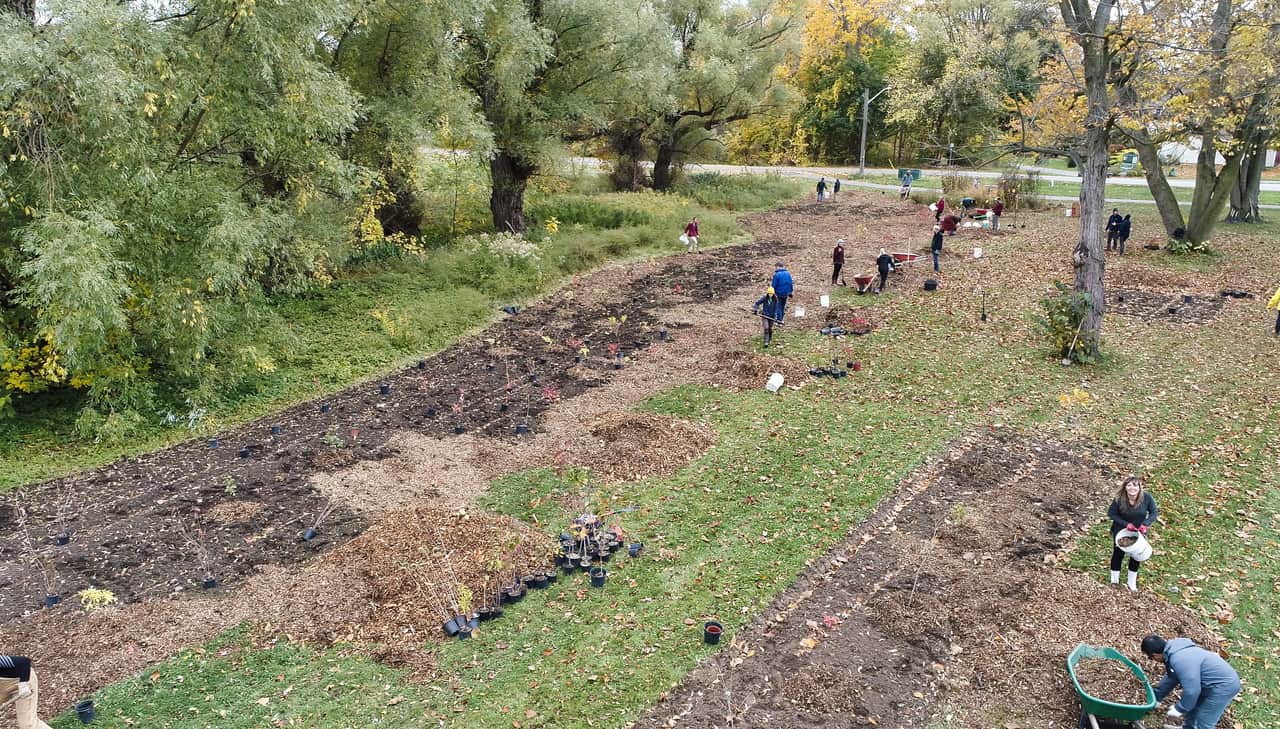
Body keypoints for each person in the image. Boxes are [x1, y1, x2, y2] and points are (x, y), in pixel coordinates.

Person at [1141, 635, 1241, 729]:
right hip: (1209, 683)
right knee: (1194, 710)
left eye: (1150, 658)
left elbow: (1192, 690)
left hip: (1224, 686)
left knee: (1204, 719)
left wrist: (1179, 708)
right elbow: (1172, 678)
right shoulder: (1173, 652)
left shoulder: (1180, 659)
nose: (1153, 660)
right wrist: (1157, 697)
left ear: (1155, 655)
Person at [1107, 475, 1158, 591]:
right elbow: (1111, 513)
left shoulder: (1146, 498)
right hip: (1121, 530)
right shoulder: (1119, 499)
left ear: (1139, 487)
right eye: (1129, 485)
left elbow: (1154, 512)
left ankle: (1131, 584)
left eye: (1135, 485)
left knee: (1136, 555)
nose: (1132, 488)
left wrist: (1145, 524)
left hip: (1138, 531)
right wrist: (1126, 524)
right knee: (1118, 554)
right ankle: (1114, 581)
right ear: (1125, 487)